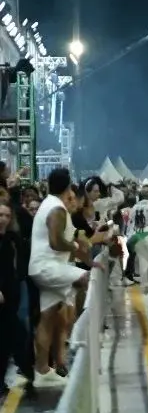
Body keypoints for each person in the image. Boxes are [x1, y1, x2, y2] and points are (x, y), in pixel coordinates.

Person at [28, 168, 104, 389]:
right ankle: (83, 338)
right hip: (47, 268)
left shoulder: (51, 204)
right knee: (88, 280)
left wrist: (88, 258)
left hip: (46, 268)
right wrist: (74, 245)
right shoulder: (56, 209)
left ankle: (42, 371)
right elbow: (55, 242)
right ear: (68, 186)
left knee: (48, 317)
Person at [0, 201, 33, 395]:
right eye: (0, 215)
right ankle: (29, 372)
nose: (3, 219)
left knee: (12, 337)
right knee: (12, 338)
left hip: (12, 296)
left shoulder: (13, 239)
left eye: (6, 215)